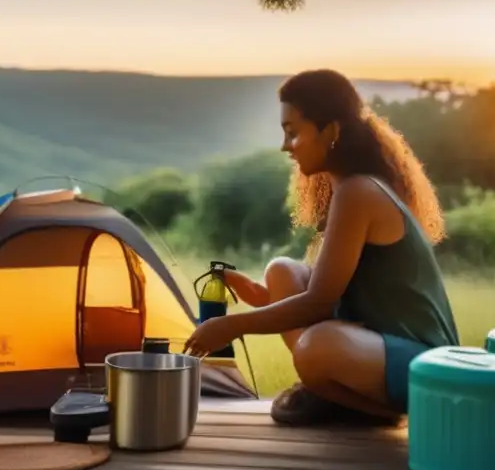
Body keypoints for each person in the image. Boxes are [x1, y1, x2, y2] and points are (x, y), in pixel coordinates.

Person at [185, 68, 459, 426]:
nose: (286, 146)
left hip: (424, 364)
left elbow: (319, 302)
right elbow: (329, 290)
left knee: (317, 346)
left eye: (293, 133)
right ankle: (331, 395)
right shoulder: (349, 190)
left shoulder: (359, 192)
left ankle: (376, 410)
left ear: (330, 132)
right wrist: (258, 295)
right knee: (283, 271)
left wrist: (232, 326)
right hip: (379, 347)